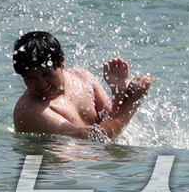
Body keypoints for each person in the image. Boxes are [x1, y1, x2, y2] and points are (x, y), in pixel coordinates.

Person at [11, 31, 153, 141]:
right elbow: (94, 139)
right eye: (31, 78)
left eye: (47, 74)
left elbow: (111, 119)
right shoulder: (30, 110)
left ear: (62, 61)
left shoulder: (83, 78)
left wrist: (118, 93)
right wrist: (132, 103)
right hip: (57, 173)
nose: (41, 84)